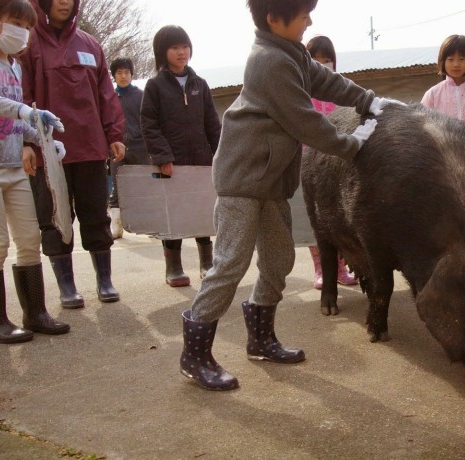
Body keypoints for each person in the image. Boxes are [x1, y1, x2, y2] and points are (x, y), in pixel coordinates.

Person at [178, 0, 394, 391]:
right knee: (230, 263)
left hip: (271, 180)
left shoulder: (290, 52)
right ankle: (194, 356)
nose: (310, 19)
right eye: (303, 13)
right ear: (274, 18)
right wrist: (352, 145)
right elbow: (304, 119)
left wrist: (367, 100)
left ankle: (261, 339)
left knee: (278, 260)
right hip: (243, 179)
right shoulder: (268, 61)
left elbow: (327, 81)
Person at [20, 0, 125, 308]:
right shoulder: (28, 44)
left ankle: (104, 280)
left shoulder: (90, 45)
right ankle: (67, 287)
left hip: (90, 146)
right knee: (54, 218)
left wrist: (114, 135)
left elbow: (106, 93)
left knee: (96, 214)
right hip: (47, 151)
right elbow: (21, 95)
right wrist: (26, 142)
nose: (64, 1)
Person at [0, 0, 69, 343]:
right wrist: (25, 112)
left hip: (13, 164)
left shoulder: (15, 67)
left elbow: (14, 123)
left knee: (30, 239)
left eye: (28, 26)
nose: (24, 32)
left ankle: (35, 313)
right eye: (16, 23)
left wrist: (44, 139)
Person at [141, 25, 221, 287]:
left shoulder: (200, 84)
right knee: (172, 213)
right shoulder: (154, 86)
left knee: (202, 210)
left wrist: (218, 155)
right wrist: (163, 156)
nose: (181, 52)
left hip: (201, 160)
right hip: (171, 164)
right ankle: (173, 267)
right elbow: (149, 124)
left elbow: (212, 123)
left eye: (184, 46)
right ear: (162, 52)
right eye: (174, 47)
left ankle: (207, 263)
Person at [304, 34, 356, 289]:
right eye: (316, 60)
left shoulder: (343, 88)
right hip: (310, 166)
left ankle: (342, 267)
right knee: (316, 221)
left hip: (338, 165)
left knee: (341, 218)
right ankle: (322, 269)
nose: (323, 65)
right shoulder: (299, 91)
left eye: (327, 60)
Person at [108, 57, 150, 240]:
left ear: (131, 75)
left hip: (140, 147)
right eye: (119, 73)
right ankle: (117, 228)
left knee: (145, 185)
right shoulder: (109, 98)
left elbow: (149, 121)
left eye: (126, 72)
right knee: (117, 188)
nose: (123, 76)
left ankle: (150, 224)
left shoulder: (141, 96)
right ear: (114, 76)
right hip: (116, 149)